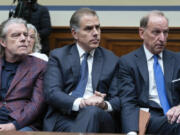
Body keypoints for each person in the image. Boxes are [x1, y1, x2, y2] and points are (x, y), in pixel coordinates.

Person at [43, 8, 120, 133]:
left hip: (99, 116)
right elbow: (51, 93)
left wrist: (103, 104)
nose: (96, 33)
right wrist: (82, 102)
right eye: (89, 29)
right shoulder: (59, 56)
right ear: (75, 33)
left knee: (91, 111)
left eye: (98, 27)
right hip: (65, 116)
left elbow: (119, 98)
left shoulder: (111, 59)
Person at [119, 10, 180, 135]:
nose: (162, 38)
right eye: (156, 32)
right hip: (148, 118)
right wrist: (131, 132)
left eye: (165, 32)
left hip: (175, 115)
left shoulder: (177, 59)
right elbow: (128, 101)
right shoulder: (128, 62)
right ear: (142, 33)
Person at [0, 18, 46, 131]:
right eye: (16, 35)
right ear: (3, 42)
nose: (24, 39)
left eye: (25, 35)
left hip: (22, 123)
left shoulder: (41, 66)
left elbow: (37, 105)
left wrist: (13, 126)